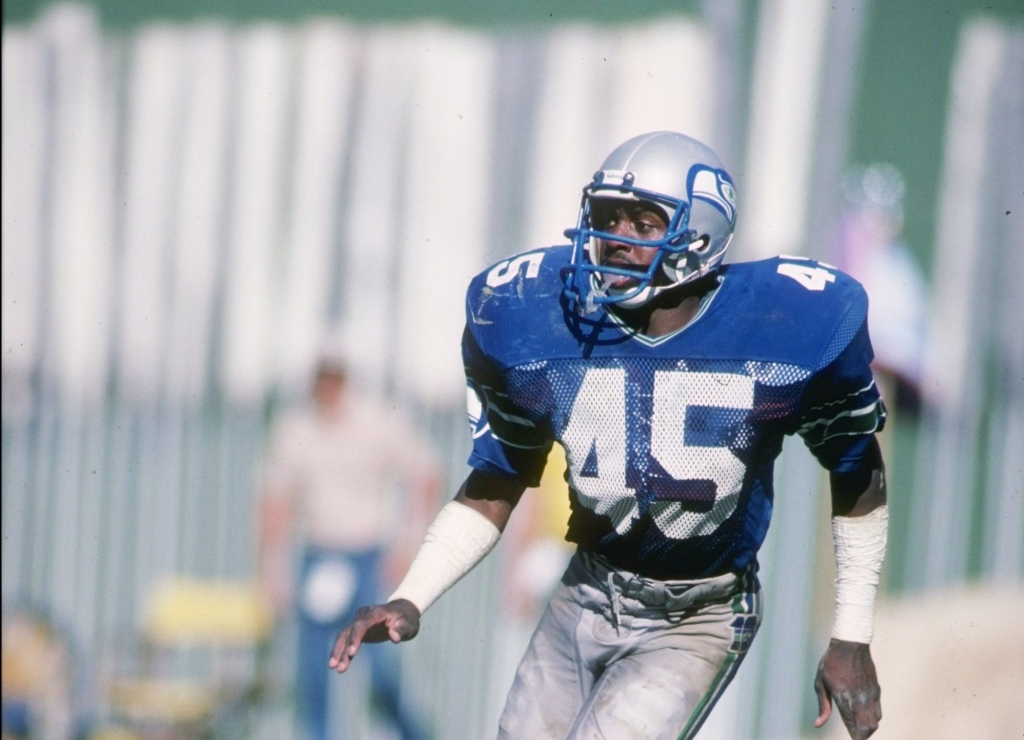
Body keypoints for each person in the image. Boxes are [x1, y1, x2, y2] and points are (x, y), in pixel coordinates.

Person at [329, 131, 888, 740]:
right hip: (587, 589)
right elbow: (498, 477)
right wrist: (410, 597)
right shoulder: (543, 321)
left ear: (700, 233)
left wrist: (851, 637)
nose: (617, 239)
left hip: (696, 613)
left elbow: (857, 473)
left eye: (644, 222)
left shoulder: (786, 325)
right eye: (607, 217)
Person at [259, 347, 440, 740]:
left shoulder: (376, 418)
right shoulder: (296, 426)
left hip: (368, 556)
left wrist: (408, 544)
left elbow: (424, 473)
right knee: (313, 673)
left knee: (381, 672)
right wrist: (273, 569)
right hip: (319, 554)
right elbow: (274, 499)